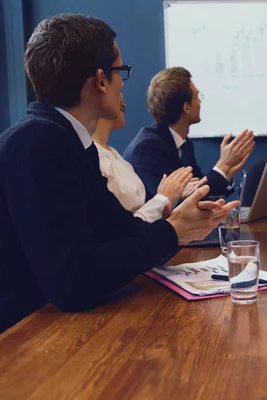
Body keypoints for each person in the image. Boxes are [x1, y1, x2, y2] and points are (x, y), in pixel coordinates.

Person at [0, 14, 238, 332]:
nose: (122, 83)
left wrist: (177, 220)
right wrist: (175, 230)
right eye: (121, 71)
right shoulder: (38, 143)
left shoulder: (66, 140)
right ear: (101, 80)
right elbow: (74, 280)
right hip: (25, 342)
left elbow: (121, 231)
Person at [123, 67, 254, 200]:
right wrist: (223, 164)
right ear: (186, 107)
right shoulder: (147, 148)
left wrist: (227, 171)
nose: (200, 102)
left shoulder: (183, 143)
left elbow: (203, 191)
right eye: (197, 97)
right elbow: (174, 205)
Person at [93, 94, 206, 222]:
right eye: (118, 91)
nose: (124, 104)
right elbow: (120, 227)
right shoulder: (94, 158)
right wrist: (164, 198)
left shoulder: (113, 153)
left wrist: (172, 197)